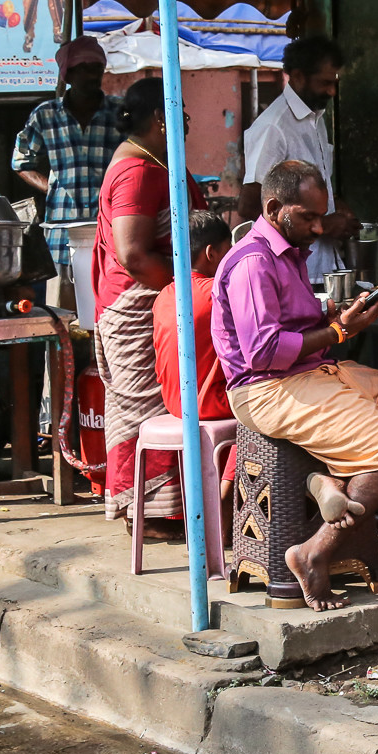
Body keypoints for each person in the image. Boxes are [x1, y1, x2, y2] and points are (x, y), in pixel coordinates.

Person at [212, 160, 378, 611]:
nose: (319, 228)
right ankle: (314, 553)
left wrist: (335, 318)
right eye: (308, 217)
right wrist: (337, 332)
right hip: (267, 388)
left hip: (309, 371)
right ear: (273, 208)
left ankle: (330, 481)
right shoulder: (254, 262)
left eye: (321, 216)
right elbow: (264, 352)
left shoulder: (287, 250)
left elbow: (294, 326)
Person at [92, 78, 207, 536]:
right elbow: (134, 254)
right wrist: (189, 290)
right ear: (162, 118)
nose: (188, 122)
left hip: (153, 300)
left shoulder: (152, 162)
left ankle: (166, 508)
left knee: (164, 403)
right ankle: (152, 512)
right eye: (182, 113)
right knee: (146, 408)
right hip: (135, 305)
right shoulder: (138, 171)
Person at [12, 36, 123, 306]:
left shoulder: (120, 113)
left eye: (96, 67)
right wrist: (51, 186)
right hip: (61, 233)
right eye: (83, 67)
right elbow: (21, 162)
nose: (91, 74)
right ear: (68, 73)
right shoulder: (46, 115)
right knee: (62, 314)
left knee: (108, 311)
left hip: (109, 232)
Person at [238, 37, 356, 283]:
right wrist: (322, 223)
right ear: (299, 76)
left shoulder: (316, 119)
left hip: (324, 267)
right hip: (291, 273)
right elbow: (251, 206)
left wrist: (337, 208)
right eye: (324, 83)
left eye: (334, 83)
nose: (332, 91)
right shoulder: (274, 126)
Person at [152, 210, 238, 531]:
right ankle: (226, 500)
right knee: (263, 407)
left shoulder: (163, 296)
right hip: (209, 404)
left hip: (176, 403)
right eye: (228, 251)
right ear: (211, 254)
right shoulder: (218, 293)